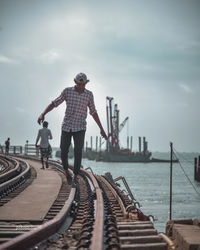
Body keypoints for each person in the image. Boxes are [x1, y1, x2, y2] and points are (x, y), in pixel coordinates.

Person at [37, 72, 107, 185]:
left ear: (85, 83)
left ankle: (75, 176)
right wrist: (43, 113)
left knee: (78, 151)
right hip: (67, 126)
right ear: (75, 83)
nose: (81, 86)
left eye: (83, 84)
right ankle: (66, 170)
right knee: (63, 150)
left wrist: (101, 129)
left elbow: (93, 112)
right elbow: (55, 103)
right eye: (79, 84)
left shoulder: (89, 95)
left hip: (80, 127)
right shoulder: (67, 91)